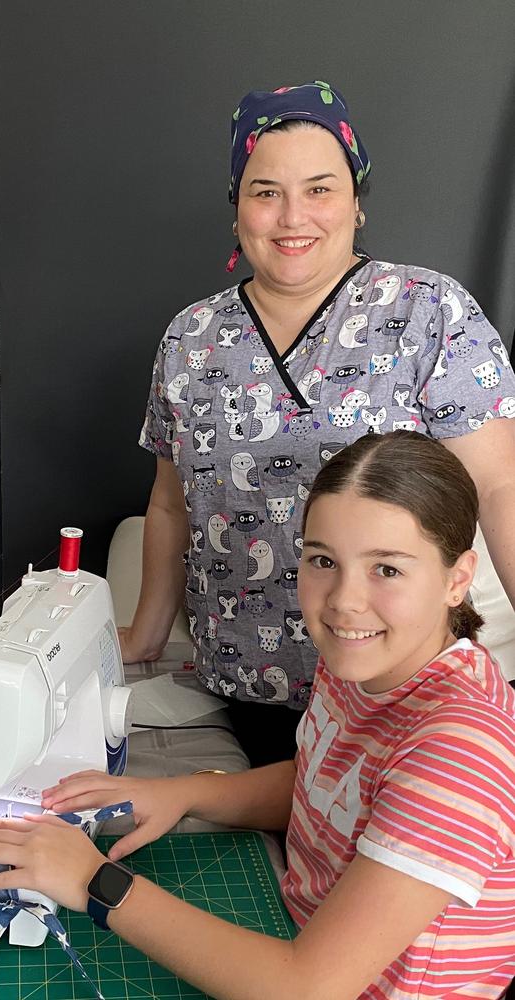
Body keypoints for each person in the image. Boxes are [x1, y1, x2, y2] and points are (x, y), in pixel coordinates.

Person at [0, 431, 515, 1000]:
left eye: (386, 569)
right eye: (323, 560)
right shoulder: (361, 663)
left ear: (458, 579)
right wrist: (185, 793)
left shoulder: (459, 747)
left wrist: (93, 881)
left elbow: (304, 987)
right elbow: (324, 782)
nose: (344, 599)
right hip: (299, 926)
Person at [121, 81, 515, 767]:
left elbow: (500, 487)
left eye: (321, 189)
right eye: (266, 191)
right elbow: (168, 499)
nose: (292, 217)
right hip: (243, 689)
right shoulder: (190, 338)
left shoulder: (428, 312)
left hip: (396, 695)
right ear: (237, 208)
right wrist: (145, 636)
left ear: (357, 204)